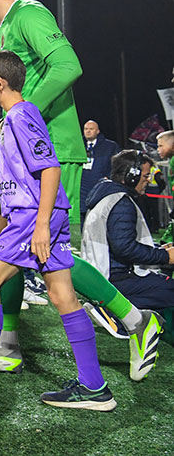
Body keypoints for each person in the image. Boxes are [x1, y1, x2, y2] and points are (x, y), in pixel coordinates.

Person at [0, 0, 157, 377]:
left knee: (52, 256)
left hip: (53, 149)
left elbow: (68, 65)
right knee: (7, 243)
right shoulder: (2, 30)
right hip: (25, 150)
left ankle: (136, 320)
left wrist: (22, 114)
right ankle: (8, 344)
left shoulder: (28, 13)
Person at [0, 51, 115, 411]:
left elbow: (51, 169)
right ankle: (94, 387)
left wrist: (40, 223)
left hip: (33, 217)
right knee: (63, 297)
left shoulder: (22, 115)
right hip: (40, 214)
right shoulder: (14, 118)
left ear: (0, 83)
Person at [82, 150, 172, 362]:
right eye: (146, 175)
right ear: (131, 175)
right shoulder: (121, 201)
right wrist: (164, 257)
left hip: (103, 273)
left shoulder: (108, 193)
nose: (148, 181)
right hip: (116, 278)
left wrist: (160, 248)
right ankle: (111, 311)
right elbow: (125, 248)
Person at [80, 120, 121, 220]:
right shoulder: (78, 145)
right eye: (86, 129)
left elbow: (117, 165)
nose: (88, 131)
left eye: (91, 129)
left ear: (98, 131)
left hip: (99, 187)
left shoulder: (110, 146)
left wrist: (109, 178)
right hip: (82, 187)